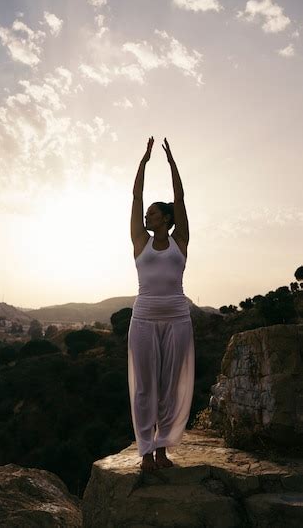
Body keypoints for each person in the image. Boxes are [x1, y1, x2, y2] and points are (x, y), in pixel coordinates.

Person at [128, 136, 195, 472]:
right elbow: (136, 196)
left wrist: (171, 164)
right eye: (147, 212)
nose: (147, 214)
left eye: (154, 212)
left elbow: (180, 198)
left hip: (178, 318)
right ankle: (144, 451)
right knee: (144, 387)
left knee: (169, 387)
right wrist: (144, 162)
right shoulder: (140, 240)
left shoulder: (180, 240)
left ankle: (162, 449)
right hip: (143, 318)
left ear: (166, 218)